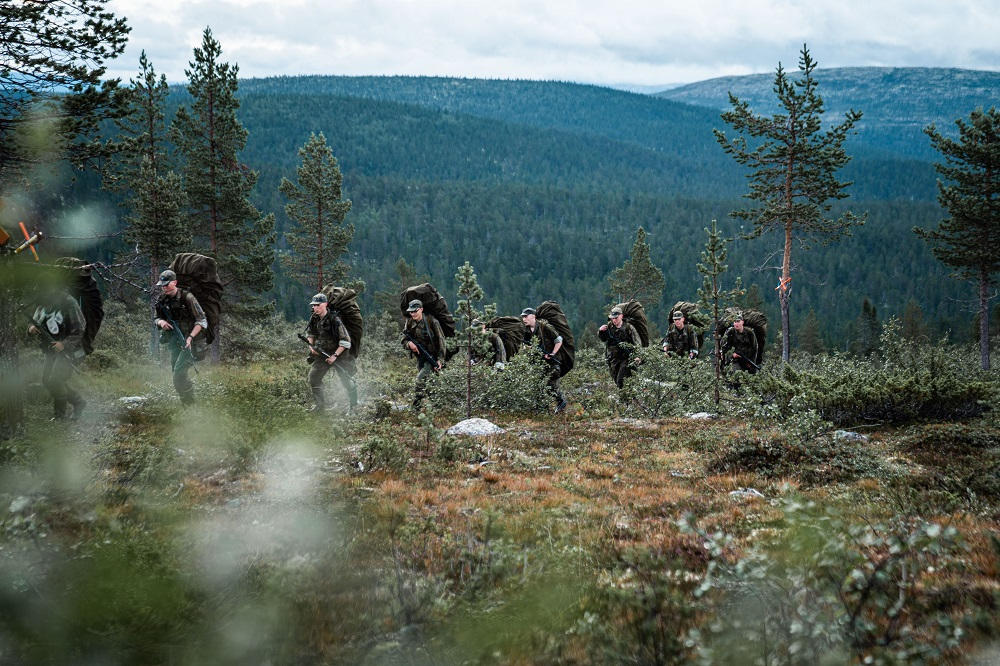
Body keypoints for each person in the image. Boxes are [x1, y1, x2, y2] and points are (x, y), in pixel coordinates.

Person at [28, 288, 86, 420]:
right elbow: (34, 321)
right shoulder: (43, 301)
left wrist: (64, 344)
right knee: (47, 380)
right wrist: (31, 328)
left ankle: (59, 416)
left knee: (55, 379)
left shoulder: (68, 302)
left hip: (72, 351)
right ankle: (79, 402)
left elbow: (79, 329)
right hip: (52, 350)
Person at [153, 269, 207, 405]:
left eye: (167, 284)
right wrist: (161, 322)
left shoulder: (187, 298)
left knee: (178, 375)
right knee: (177, 374)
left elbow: (201, 320)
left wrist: (190, 337)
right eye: (162, 285)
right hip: (175, 343)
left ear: (175, 282)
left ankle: (190, 405)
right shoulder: (162, 300)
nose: (164, 287)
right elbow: (156, 318)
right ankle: (188, 403)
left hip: (190, 344)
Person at [305, 293, 357, 413]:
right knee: (314, 378)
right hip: (321, 354)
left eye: (318, 305)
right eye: (313, 305)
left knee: (347, 380)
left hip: (340, 355)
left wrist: (335, 356)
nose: (315, 307)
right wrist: (311, 346)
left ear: (325, 304)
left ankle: (353, 407)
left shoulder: (335, 320)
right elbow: (310, 334)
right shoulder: (314, 318)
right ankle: (320, 406)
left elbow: (346, 341)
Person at [521, 307, 567, 413]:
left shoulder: (545, 327)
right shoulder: (526, 330)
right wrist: (527, 349)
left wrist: (552, 353)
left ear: (533, 316)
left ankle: (561, 402)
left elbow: (558, 340)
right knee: (537, 385)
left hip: (551, 361)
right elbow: (524, 344)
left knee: (550, 384)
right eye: (523, 317)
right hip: (537, 362)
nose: (524, 319)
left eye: (526, 316)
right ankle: (542, 408)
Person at [401, 299, 445, 409]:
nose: (412, 314)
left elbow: (441, 341)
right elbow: (403, 340)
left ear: (421, 309)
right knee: (429, 383)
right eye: (411, 312)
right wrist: (409, 344)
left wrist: (440, 359)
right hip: (420, 357)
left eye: (415, 311)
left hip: (432, 357)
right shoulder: (410, 322)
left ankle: (416, 408)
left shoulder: (432, 321)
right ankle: (438, 406)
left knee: (420, 380)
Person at [598, 306, 642, 388]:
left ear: (621, 316)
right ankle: (630, 398)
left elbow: (637, 342)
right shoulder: (609, 327)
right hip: (613, 359)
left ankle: (625, 399)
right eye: (612, 318)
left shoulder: (628, 328)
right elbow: (604, 339)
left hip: (626, 358)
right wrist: (601, 331)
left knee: (620, 380)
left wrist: (637, 356)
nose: (614, 320)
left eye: (616, 318)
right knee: (616, 380)